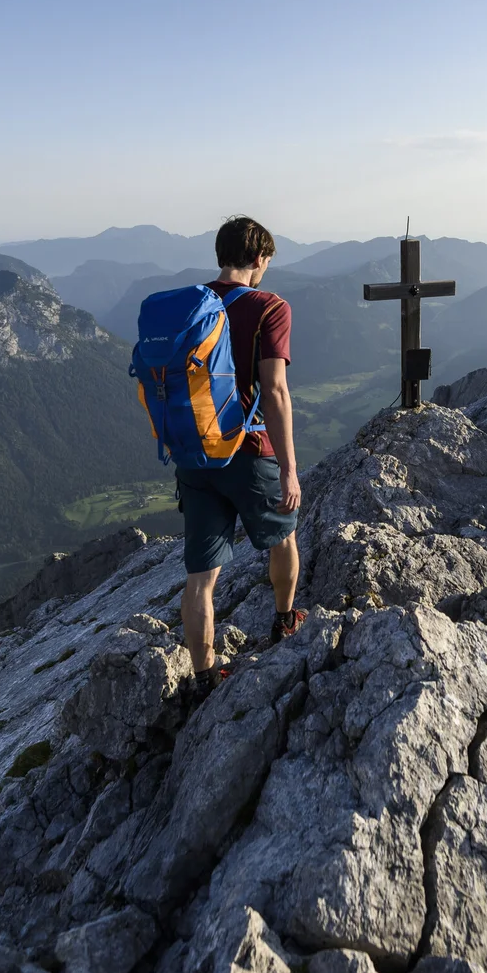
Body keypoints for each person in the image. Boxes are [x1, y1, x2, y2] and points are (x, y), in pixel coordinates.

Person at [178, 216, 305, 698]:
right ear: (258, 258)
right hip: (248, 451)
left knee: (200, 578)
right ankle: (284, 621)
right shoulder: (269, 306)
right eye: (267, 258)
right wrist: (289, 469)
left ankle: (205, 677)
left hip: (195, 454)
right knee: (283, 537)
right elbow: (275, 391)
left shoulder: (191, 305)